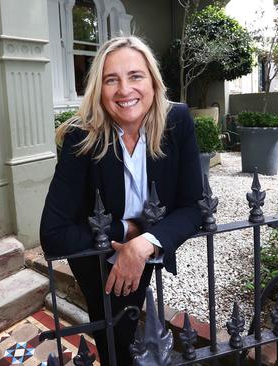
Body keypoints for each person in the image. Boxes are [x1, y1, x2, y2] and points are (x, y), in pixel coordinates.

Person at [39, 36, 203, 365]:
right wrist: (125, 229)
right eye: (111, 79)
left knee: (125, 323)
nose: (124, 89)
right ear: (99, 90)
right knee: (110, 332)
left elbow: (194, 206)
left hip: (145, 246)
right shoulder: (81, 136)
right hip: (94, 253)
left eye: (135, 76)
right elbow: (53, 235)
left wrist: (145, 243)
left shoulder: (177, 121)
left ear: (153, 83)